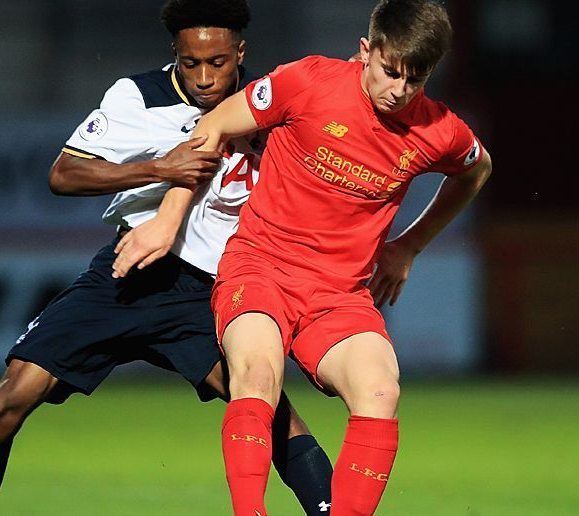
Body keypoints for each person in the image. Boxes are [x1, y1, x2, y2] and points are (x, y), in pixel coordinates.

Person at [0, 1, 333, 514]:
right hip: (128, 275)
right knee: (8, 399)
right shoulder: (137, 96)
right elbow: (64, 175)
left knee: (268, 412)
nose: (202, 77)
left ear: (240, 51)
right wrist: (160, 168)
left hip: (209, 292)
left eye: (216, 63)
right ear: (175, 53)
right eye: (189, 62)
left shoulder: (271, 103)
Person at [113, 1, 493, 514]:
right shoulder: (308, 81)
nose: (399, 90)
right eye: (390, 71)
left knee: (380, 390)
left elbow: (476, 169)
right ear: (366, 51)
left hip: (338, 294)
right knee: (258, 378)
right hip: (260, 267)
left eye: (415, 79)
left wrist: (409, 245)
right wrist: (168, 218)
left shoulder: (438, 130)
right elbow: (216, 124)